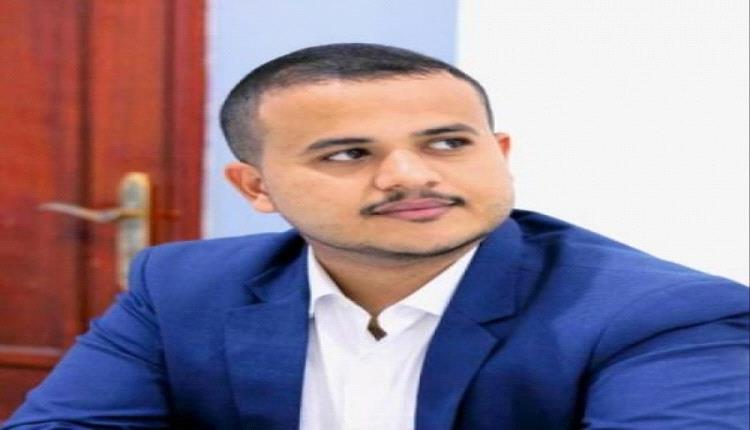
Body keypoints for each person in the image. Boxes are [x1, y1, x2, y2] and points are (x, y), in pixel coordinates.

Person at [4, 43, 748, 430]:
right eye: (348, 154)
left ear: (500, 153)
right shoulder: (181, 288)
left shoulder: (662, 315)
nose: (410, 176)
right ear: (255, 187)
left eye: (448, 143)